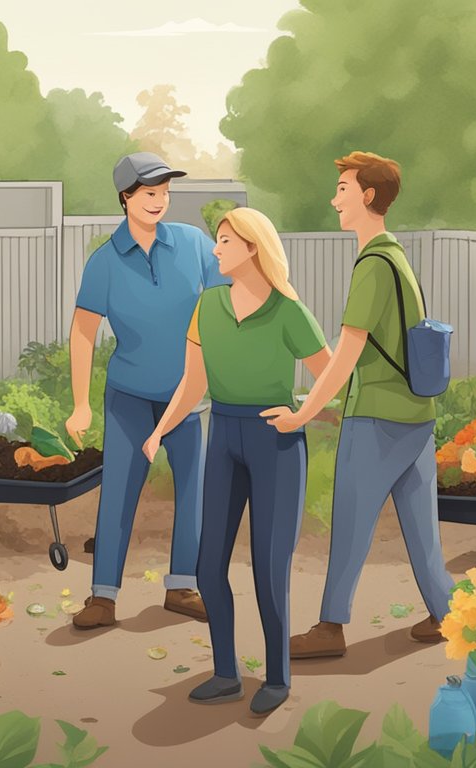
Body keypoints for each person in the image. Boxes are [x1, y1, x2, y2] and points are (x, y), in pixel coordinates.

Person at [266, 151, 455, 656]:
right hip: (417, 414)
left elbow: (347, 353)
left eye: (343, 190)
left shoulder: (372, 265)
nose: (335, 200)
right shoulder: (399, 259)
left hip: (376, 416)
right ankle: (449, 616)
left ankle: (330, 627)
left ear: (368, 196)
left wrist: (303, 414)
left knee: (350, 521)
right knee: (422, 529)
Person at [143, 208, 331, 715]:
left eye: (225, 241)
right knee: (208, 568)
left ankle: (276, 677)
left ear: (253, 248)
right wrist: (160, 430)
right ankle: (226, 672)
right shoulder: (207, 305)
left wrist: (301, 415)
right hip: (223, 435)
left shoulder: (289, 310)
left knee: (269, 570)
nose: (216, 249)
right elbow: (194, 383)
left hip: (276, 444)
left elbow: (331, 375)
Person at [66, 152, 228, 630]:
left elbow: (222, 303)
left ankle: (182, 586)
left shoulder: (194, 244)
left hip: (187, 396)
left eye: (164, 193)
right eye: (149, 193)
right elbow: (82, 332)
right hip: (130, 396)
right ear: (126, 198)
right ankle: (103, 595)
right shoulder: (105, 262)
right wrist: (79, 404)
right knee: (118, 490)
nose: (159, 202)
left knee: (194, 491)